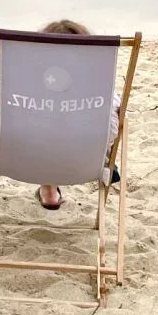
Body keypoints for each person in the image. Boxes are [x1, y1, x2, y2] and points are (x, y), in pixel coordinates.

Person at [35, 19, 119, 212]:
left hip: (26, 158)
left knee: (47, 135)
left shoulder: (25, 89)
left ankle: (48, 188)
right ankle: (49, 187)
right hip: (85, 161)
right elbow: (112, 132)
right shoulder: (99, 90)